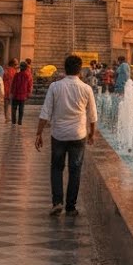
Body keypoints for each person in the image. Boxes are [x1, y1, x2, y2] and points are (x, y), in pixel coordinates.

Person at [35, 55, 98, 216]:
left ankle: (57, 202)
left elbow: (46, 111)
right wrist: (92, 133)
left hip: (59, 135)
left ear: (65, 69)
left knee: (56, 168)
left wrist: (39, 133)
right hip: (78, 134)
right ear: (80, 70)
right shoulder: (86, 88)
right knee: (75, 170)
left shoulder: (55, 87)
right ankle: (71, 206)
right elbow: (92, 115)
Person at [2, 57, 18, 123]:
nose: (17, 65)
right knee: (12, 104)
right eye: (16, 64)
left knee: (6, 103)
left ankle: (7, 117)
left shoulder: (6, 70)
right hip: (11, 89)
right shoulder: (14, 71)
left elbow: (3, 79)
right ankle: (10, 117)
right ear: (13, 64)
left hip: (7, 88)